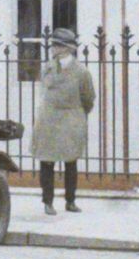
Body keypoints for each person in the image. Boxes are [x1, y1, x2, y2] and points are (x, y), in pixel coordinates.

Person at [32, 28, 95, 216]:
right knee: (47, 162)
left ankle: (70, 201)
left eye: (57, 46)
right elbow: (44, 92)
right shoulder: (47, 67)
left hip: (70, 121)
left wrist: (77, 115)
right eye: (53, 45)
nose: (53, 49)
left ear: (67, 49)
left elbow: (88, 98)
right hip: (48, 120)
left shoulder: (81, 72)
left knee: (70, 162)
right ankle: (48, 202)